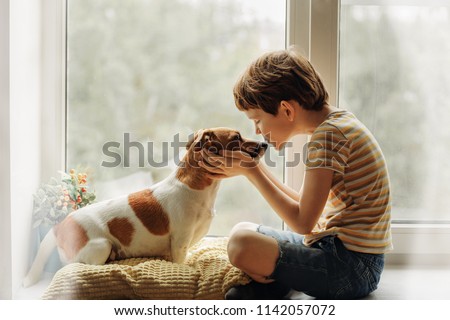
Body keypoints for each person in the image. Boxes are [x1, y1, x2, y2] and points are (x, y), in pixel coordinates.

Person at [198, 48, 393, 299]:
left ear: (287, 110)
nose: (257, 131)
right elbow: (306, 208)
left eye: (257, 120)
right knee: (244, 229)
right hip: (340, 252)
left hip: (351, 268)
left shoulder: (328, 137)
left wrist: (252, 172)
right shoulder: (337, 124)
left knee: (240, 244)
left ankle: (276, 280)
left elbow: (303, 223)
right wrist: (255, 168)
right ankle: (282, 279)